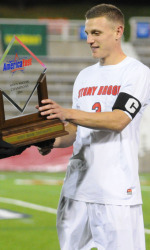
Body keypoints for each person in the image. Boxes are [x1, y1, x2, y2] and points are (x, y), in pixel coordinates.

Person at [38, 4, 150, 250]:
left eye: (96, 33)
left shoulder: (136, 73)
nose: (89, 40)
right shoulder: (84, 76)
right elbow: (75, 132)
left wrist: (66, 112)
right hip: (75, 190)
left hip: (116, 194)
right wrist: (49, 140)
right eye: (87, 33)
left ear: (118, 31)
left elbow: (119, 120)